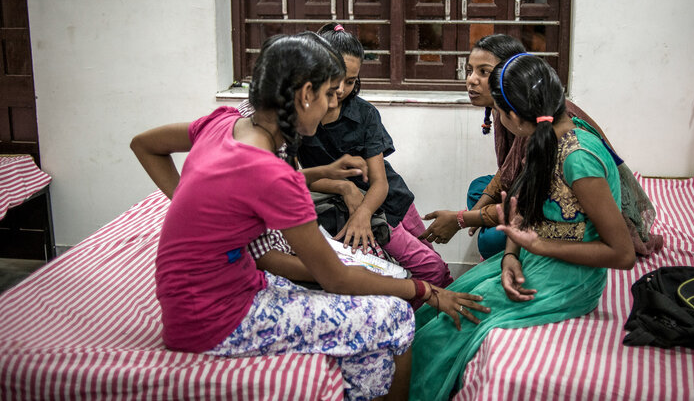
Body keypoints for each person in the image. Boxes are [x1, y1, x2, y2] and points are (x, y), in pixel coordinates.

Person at [130, 32, 488, 401]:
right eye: (330, 94)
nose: (334, 105)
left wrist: (191, 203)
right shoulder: (270, 172)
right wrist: (424, 290)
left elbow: (145, 145)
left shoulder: (223, 123)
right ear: (305, 94)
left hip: (194, 300)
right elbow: (335, 278)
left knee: (371, 308)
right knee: (396, 314)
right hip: (213, 321)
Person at [410, 53, 636, 401]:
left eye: (500, 112)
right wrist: (511, 255)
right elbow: (524, 207)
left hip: (569, 280)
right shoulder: (544, 138)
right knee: (432, 309)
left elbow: (622, 254)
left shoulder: (580, 158)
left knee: (443, 334)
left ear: (513, 116)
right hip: (535, 261)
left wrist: (539, 247)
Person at [244, 23, 453, 292]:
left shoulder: (364, 114)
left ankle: (438, 319)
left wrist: (363, 212)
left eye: (351, 81)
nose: (340, 90)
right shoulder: (297, 119)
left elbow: (380, 182)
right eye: (336, 80)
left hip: (390, 199)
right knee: (425, 269)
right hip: (351, 208)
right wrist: (344, 187)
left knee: (433, 264)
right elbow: (294, 178)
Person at [420, 34, 660, 258]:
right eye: (470, 70)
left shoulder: (543, 125)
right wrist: (476, 214)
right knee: (478, 190)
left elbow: (528, 195)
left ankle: (501, 235)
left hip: (575, 212)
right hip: (539, 189)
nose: (472, 80)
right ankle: (500, 229)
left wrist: (463, 219)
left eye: (484, 72)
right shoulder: (509, 108)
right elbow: (510, 171)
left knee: (490, 241)